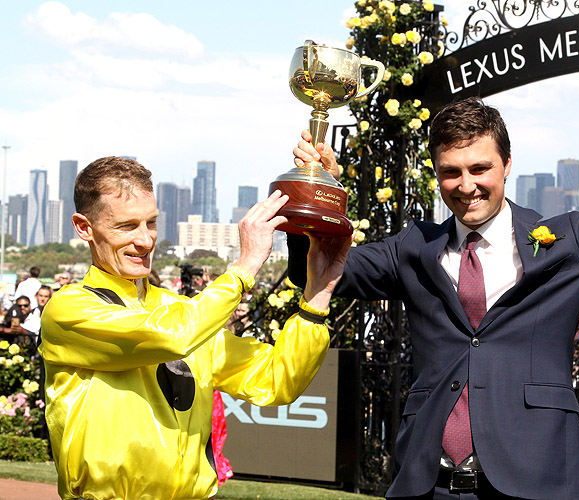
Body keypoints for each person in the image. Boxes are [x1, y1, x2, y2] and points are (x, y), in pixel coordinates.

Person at [290, 99, 579, 499]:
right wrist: (319, 188)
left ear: (507, 164)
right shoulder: (412, 248)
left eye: (480, 169)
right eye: (450, 172)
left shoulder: (568, 244)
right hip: (428, 487)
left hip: (538, 484)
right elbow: (316, 269)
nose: (466, 186)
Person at [39, 156, 352, 500]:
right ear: (84, 227)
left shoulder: (185, 312)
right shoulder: (68, 309)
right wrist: (244, 268)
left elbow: (277, 380)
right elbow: (171, 338)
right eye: (127, 227)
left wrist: (316, 298)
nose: (145, 240)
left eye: (151, 223)